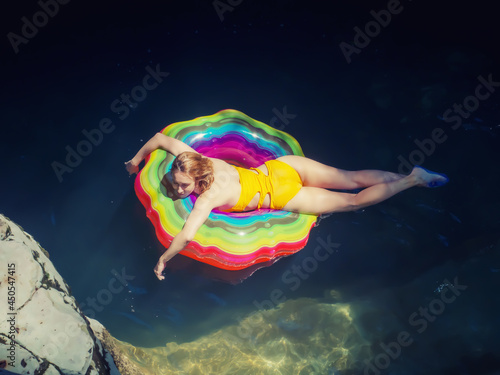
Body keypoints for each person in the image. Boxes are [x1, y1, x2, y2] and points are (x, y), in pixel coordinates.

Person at [125, 132, 448, 280]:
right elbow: (161, 139)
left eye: (183, 185)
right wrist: (135, 161)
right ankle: (413, 176)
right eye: (177, 183)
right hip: (283, 167)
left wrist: (163, 261)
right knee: (349, 178)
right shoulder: (197, 159)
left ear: (196, 178)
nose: (179, 189)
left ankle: (411, 181)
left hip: (283, 193)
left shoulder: (208, 198)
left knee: (351, 201)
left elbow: (187, 235)